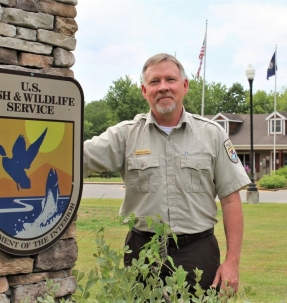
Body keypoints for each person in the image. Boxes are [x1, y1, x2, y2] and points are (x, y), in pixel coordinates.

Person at [83, 53, 251, 292]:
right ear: (144, 90)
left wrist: (232, 262)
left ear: (184, 86)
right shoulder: (124, 136)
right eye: (154, 81)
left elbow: (232, 201)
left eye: (170, 79)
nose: (163, 87)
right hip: (143, 252)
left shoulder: (212, 135)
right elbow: (74, 158)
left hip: (198, 253)